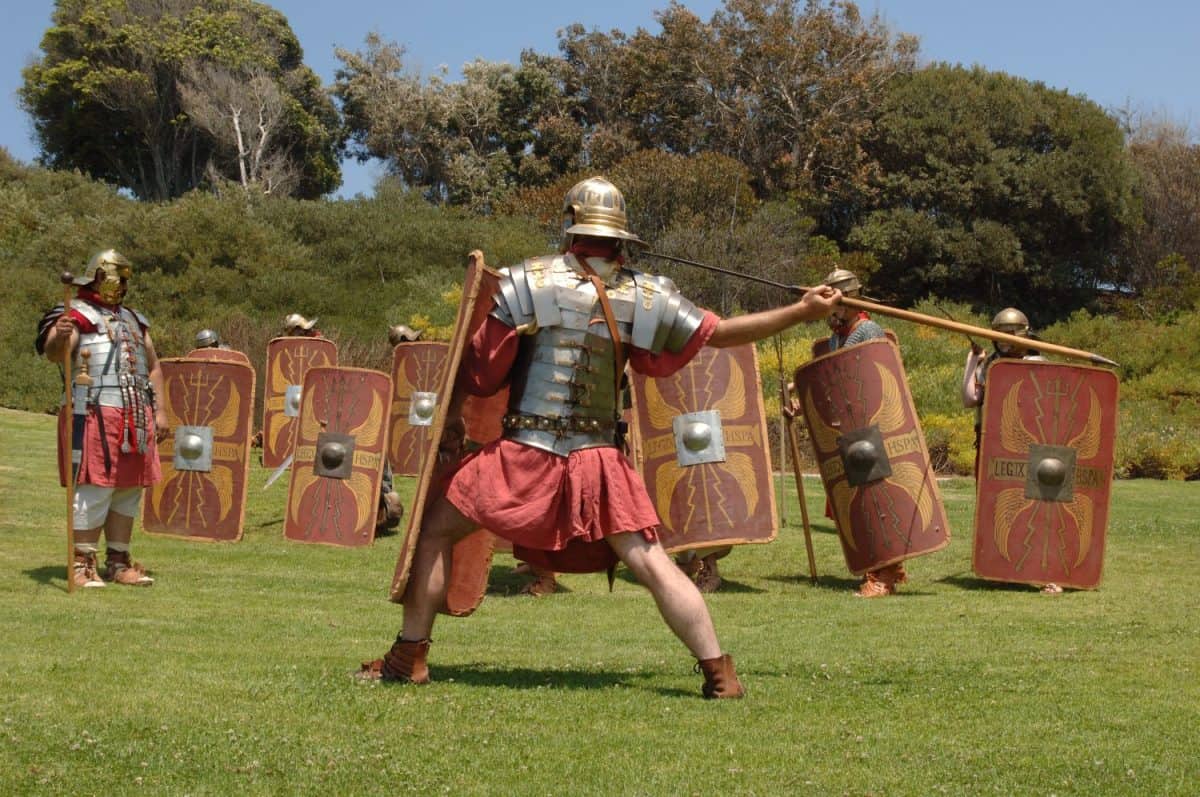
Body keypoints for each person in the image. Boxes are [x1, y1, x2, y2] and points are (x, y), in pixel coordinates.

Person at [358, 177, 841, 698]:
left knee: (434, 531)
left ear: (571, 224)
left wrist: (457, 413)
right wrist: (801, 311)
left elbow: (480, 374)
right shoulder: (645, 293)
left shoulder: (529, 282)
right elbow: (720, 333)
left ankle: (409, 657)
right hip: (597, 457)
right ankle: (719, 673)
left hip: (525, 452)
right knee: (651, 562)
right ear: (621, 236)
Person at [37, 250, 168, 588]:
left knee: (127, 489)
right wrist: (60, 336)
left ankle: (118, 562)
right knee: (94, 488)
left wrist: (161, 410)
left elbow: (153, 366)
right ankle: (81, 564)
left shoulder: (134, 319)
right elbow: (55, 356)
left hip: (135, 413)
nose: (124, 284)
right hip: (92, 410)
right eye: (118, 277)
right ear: (99, 275)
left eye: (127, 278)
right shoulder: (75, 314)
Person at [821, 268, 908, 598]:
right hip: (851, 433)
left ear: (849, 301)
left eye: (835, 302)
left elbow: (874, 382)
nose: (831, 310)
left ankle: (884, 576)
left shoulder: (868, 330)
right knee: (860, 506)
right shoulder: (836, 337)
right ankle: (882, 570)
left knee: (878, 503)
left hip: (872, 431)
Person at [961, 307, 1043, 476]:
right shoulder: (992, 363)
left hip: (1028, 443)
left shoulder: (1039, 364)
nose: (1003, 342)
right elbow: (971, 399)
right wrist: (973, 361)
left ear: (1021, 334)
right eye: (999, 336)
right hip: (991, 439)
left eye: (1008, 335)